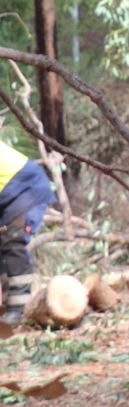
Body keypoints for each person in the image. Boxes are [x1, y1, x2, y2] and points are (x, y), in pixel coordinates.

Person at [0, 135, 55, 325]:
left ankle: (18, 311)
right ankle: (6, 307)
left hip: (26, 189)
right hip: (8, 194)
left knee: (13, 243)